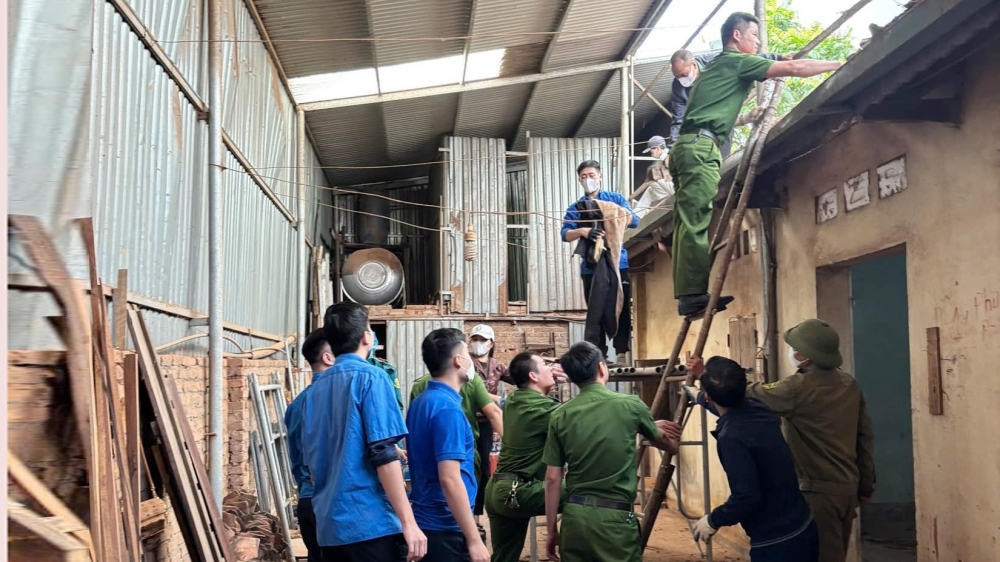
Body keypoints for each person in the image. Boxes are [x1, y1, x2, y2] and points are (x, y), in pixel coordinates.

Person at [669, 12, 842, 317]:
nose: (758, 42)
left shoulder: (717, 65)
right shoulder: (736, 61)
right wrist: (838, 65)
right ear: (737, 36)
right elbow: (795, 68)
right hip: (701, 149)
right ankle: (693, 295)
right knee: (696, 218)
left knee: (686, 221)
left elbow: (763, 61)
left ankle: (687, 293)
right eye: (754, 36)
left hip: (686, 147)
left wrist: (774, 57)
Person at [691, 319, 875, 562]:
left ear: (806, 357)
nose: (792, 352)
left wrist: (704, 382)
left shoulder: (797, 388)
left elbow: (741, 393)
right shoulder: (848, 383)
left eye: (795, 349)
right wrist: (866, 483)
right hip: (847, 488)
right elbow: (864, 435)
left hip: (817, 491)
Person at [301, 303, 427, 561]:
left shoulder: (313, 393)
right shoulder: (372, 378)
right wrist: (409, 522)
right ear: (367, 337)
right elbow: (383, 453)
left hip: (330, 527)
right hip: (369, 525)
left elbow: (311, 465)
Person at [542, 342, 683, 562]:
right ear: (601, 367)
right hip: (615, 519)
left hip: (574, 518)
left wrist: (551, 530)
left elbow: (552, 478)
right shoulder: (631, 405)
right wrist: (660, 434)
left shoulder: (560, 415)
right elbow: (667, 444)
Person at [683, 356, 818, 561]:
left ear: (710, 397)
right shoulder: (759, 408)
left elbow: (746, 497)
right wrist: (699, 395)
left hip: (775, 542)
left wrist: (713, 520)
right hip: (803, 527)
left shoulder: (731, 438)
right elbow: (727, 407)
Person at [406, 328, 490, 562]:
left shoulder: (422, 401)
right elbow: (450, 478)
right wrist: (474, 539)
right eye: (467, 353)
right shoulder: (447, 409)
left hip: (429, 520)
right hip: (446, 527)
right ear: (458, 360)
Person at [485, 351, 566, 562]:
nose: (551, 368)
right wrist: (580, 378)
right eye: (545, 364)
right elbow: (581, 414)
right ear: (533, 375)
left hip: (497, 490)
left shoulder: (515, 399)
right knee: (585, 489)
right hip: (518, 491)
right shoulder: (541, 408)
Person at [411, 358, 504, 542]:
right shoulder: (468, 386)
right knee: (461, 490)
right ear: (456, 360)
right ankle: (471, 527)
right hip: (463, 452)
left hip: (426, 460)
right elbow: (494, 412)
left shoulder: (420, 387)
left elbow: (414, 426)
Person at [561, 160, 639, 365]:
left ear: (600, 177)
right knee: (596, 310)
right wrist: (584, 231)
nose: (588, 179)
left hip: (617, 263)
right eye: (583, 177)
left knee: (621, 307)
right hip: (591, 267)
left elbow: (634, 221)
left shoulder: (615, 199)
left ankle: (621, 352)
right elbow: (565, 234)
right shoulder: (576, 207)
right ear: (579, 180)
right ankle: (599, 355)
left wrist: (610, 212)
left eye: (591, 175)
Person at [666, 48, 789, 156]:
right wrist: (672, 148)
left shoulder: (716, 62)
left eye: (683, 74)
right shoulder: (678, 88)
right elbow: (678, 120)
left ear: (693, 65)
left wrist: (778, 58)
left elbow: (747, 60)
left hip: (723, 120)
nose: (681, 79)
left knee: (721, 158)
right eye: (677, 77)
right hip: (699, 129)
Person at [284, 330, 335, 562]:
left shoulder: (295, 405)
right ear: (328, 358)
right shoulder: (332, 399)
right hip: (329, 504)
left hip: (307, 501)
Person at [466, 324, 512, 532]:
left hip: (485, 424)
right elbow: (471, 389)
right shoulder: (466, 363)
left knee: (484, 469)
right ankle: (465, 514)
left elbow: (519, 378)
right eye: (475, 339)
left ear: (491, 344)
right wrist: (498, 399)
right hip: (468, 420)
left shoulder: (497, 366)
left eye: (482, 340)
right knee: (467, 466)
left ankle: (476, 516)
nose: (478, 343)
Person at [630, 135, 675, 220]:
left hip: (678, 189)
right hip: (671, 187)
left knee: (654, 182)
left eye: (651, 151)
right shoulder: (662, 160)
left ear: (657, 148)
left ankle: (638, 214)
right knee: (651, 188)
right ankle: (637, 215)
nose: (651, 153)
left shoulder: (669, 158)